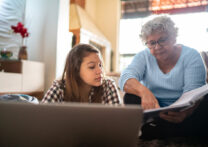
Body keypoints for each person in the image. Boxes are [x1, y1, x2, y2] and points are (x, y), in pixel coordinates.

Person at [119, 14, 207, 138]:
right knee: (130, 97)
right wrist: (144, 92)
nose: (157, 47)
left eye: (162, 40)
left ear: (173, 38)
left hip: (184, 113)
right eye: (152, 43)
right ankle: (170, 130)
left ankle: (163, 130)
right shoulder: (143, 56)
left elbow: (194, 93)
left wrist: (185, 113)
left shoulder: (191, 56)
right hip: (154, 112)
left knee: (205, 102)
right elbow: (125, 79)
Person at [42, 43, 121, 104]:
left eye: (100, 65)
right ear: (76, 70)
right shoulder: (59, 87)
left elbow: (118, 120)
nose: (100, 71)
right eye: (92, 67)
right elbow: (42, 116)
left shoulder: (108, 85)